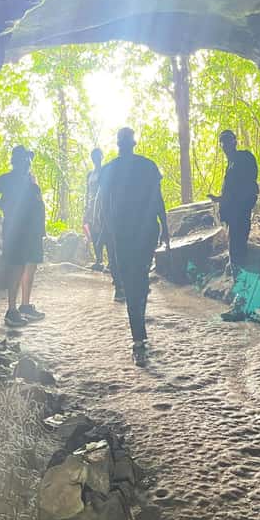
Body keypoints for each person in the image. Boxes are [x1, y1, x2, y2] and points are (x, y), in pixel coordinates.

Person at [97, 127, 170, 365]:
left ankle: (138, 338)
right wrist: (165, 227)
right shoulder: (147, 166)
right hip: (140, 231)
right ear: (132, 143)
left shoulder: (110, 170)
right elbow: (157, 199)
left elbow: (104, 207)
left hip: (129, 233)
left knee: (133, 282)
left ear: (119, 144)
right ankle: (139, 334)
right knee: (139, 279)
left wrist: (108, 231)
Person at [0, 146, 47, 327]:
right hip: (16, 229)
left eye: (28, 159)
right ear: (16, 161)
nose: (27, 162)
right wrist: (2, 204)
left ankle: (25, 305)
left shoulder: (30, 180)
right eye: (24, 159)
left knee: (31, 265)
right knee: (16, 267)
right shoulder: (8, 179)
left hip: (32, 230)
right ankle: (12, 310)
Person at [207, 129, 258, 322]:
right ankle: (243, 302)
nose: (224, 146)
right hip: (235, 215)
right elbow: (235, 191)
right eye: (222, 142)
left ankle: (241, 304)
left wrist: (231, 202)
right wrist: (220, 199)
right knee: (237, 256)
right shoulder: (233, 163)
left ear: (234, 141)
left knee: (237, 257)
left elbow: (244, 188)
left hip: (239, 216)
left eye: (227, 142)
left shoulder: (242, 160)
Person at [84, 148, 109, 271]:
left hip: (101, 205)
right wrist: (86, 208)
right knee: (93, 232)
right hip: (90, 205)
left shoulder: (105, 171)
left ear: (102, 157)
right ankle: (98, 260)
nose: (96, 158)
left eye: (98, 156)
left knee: (104, 231)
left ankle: (110, 260)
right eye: (94, 156)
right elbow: (87, 192)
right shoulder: (90, 174)